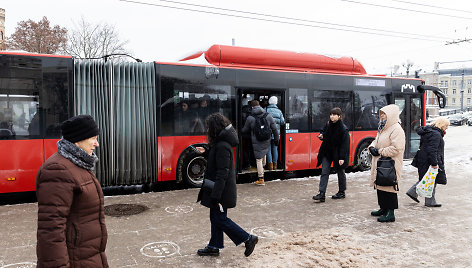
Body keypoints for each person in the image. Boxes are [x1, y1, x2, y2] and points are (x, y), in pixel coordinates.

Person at [36, 115, 108, 267]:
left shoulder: (78, 163)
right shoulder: (57, 170)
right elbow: (51, 231)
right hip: (76, 260)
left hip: (88, 257)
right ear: (78, 140)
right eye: (93, 138)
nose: (97, 143)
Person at [196, 113, 258, 257]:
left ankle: (248, 238)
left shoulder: (222, 146)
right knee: (215, 217)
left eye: (208, 127)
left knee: (219, 218)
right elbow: (217, 159)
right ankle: (214, 245)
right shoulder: (219, 143)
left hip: (221, 191)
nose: (206, 130)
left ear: (214, 128)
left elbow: (222, 173)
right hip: (218, 188)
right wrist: (207, 151)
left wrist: (216, 195)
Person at [368, 104, 405, 223]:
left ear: (391, 115)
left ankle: (391, 213)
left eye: (384, 114)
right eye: (381, 114)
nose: (382, 116)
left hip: (391, 164)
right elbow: (376, 140)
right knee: (381, 185)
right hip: (381, 162)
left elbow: (397, 148)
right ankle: (383, 208)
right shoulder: (383, 127)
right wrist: (372, 147)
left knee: (389, 187)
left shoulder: (396, 129)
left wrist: (379, 151)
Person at [406, 117, 450, 207]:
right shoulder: (436, 134)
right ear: (441, 125)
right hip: (429, 160)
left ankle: (413, 193)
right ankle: (429, 201)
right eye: (446, 126)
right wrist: (434, 163)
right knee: (431, 179)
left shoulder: (430, 132)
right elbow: (432, 150)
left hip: (423, 159)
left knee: (427, 178)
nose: (447, 128)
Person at [312, 107, 350, 202]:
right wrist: (321, 135)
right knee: (324, 172)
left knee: (340, 172)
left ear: (339, 116)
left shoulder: (343, 129)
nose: (331, 116)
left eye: (334, 115)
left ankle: (341, 192)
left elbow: (344, 145)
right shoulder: (328, 124)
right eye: (331, 114)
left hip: (337, 154)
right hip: (327, 152)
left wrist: (342, 157)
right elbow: (324, 131)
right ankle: (322, 194)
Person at [242, 100, 279, 186]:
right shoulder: (268, 115)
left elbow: (244, 130)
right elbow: (275, 129)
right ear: (260, 106)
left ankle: (261, 178)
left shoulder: (250, 118)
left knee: (258, 159)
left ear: (252, 107)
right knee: (264, 153)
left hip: (257, 140)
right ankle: (263, 168)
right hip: (266, 139)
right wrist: (276, 138)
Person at [265, 96, 285, 170]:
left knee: (268, 149)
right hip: (276, 134)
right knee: (275, 149)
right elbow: (283, 122)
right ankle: (275, 165)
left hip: (267, 134)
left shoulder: (266, 110)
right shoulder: (279, 111)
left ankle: (270, 165)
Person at [241, 99, 255, 170]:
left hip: (244, 134)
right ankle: (252, 163)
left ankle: (246, 164)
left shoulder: (242, 111)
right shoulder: (252, 112)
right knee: (251, 149)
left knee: (245, 150)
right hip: (252, 134)